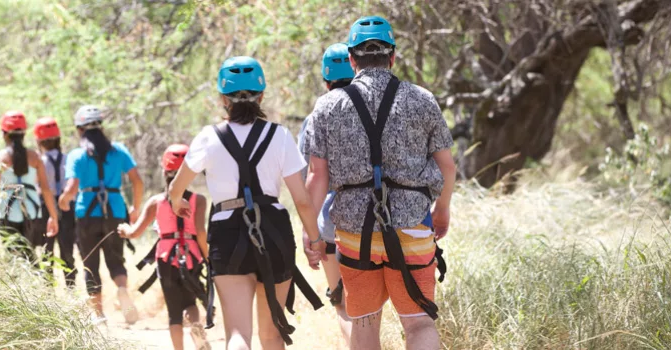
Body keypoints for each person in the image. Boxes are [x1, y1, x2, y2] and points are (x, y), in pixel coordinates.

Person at [303, 16, 456, 350]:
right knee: (418, 324)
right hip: (412, 227)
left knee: (365, 322)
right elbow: (447, 167)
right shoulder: (421, 99)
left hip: (355, 233)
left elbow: (316, 176)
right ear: (393, 57)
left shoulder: (327, 106)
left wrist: (310, 233)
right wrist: (442, 209)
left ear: (352, 59)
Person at [168, 56, 325, 350]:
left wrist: (177, 203)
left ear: (222, 99)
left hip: (227, 229)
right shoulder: (279, 135)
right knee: (272, 335)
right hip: (274, 230)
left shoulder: (208, 137)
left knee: (238, 334)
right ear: (261, 94)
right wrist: (315, 239)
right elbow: (301, 199)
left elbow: (177, 187)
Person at [117, 144, 210, 350]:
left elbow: (135, 232)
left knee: (174, 312)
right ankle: (200, 340)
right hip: (192, 257)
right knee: (191, 303)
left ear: (164, 170)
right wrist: (208, 258)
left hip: (167, 259)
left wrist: (124, 229)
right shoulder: (199, 200)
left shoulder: (156, 202)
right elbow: (201, 232)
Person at [58, 105, 144, 324]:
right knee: (116, 259)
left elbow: (71, 188)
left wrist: (63, 202)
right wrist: (136, 208)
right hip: (115, 211)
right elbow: (137, 181)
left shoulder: (77, 156)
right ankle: (122, 289)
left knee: (91, 263)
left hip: (87, 214)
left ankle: (98, 314)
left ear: (80, 130)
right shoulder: (119, 151)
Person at [296, 42, 355, 344]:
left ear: (325, 79)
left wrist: (309, 232)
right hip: (380, 220)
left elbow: (310, 176)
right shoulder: (375, 111)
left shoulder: (315, 117)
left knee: (342, 303)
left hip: (331, 226)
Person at [0, 111, 59, 261]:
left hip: (7, 213)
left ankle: (19, 282)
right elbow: (45, 189)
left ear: (4, 134)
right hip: (32, 213)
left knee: (13, 256)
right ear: (24, 133)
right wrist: (53, 216)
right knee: (30, 254)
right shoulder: (35, 157)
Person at [34, 117, 78, 287]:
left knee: (47, 251)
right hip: (67, 206)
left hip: (45, 208)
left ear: (39, 140)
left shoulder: (39, 162)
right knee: (67, 251)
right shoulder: (68, 158)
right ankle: (71, 287)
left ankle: (48, 291)